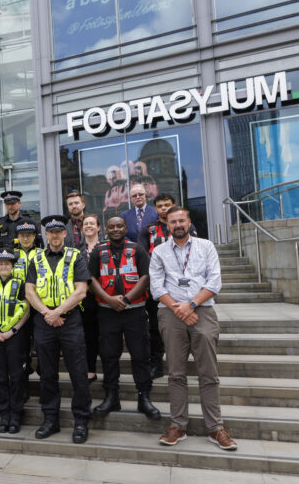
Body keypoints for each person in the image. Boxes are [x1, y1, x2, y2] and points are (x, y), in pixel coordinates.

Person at [149, 206, 238, 450]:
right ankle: (177, 425)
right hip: (170, 314)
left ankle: (216, 428)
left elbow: (214, 281)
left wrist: (190, 305)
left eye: (181, 220)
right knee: (176, 373)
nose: (177, 225)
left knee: (208, 372)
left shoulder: (206, 246)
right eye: (172, 221)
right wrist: (179, 309)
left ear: (189, 222)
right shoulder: (158, 252)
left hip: (203, 312)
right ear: (166, 225)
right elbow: (157, 287)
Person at [25, 215, 92, 444]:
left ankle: (81, 421)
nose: (54, 235)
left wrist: (58, 312)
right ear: (46, 235)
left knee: (78, 373)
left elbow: (81, 291)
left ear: (65, 234)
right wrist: (47, 313)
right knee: (47, 373)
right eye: (50, 232)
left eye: (58, 232)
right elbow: (29, 291)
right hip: (44, 322)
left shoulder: (75, 256)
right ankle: (50, 419)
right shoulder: (36, 258)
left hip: (70, 320)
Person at [88, 217, 161, 420]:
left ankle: (144, 398)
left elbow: (146, 277)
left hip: (135, 312)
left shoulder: (137, 249)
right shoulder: (98, 251)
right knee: (109, 356)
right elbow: (91, 278)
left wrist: (127, 299)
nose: (115, 229)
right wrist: (109, 299)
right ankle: (112, 397)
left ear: (126, 228)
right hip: (107, 312)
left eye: (119, 226)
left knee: (140, 355)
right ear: (106, 229)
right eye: (111, 226)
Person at [139, 193, 197, 379]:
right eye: (160, 206)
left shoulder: (186, 227)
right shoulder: (147, 230)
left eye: (167, 205)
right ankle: (156, 364)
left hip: (186, 288)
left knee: (191, 328)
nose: (163, 208)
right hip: (158, 288)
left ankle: (193, 364)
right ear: (155, 209)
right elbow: (143, 257)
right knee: (156, 329)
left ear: (173, 205)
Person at [0, 249, 29, 434]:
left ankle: (16, 415)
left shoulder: (20, 284)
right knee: (0, 377)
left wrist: (13, 331)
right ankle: (4, 415)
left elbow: (26, 310)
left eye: (7, 264)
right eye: (0, 263)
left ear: (12, 266)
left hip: (14, 337)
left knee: (16, 377)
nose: (3, 266)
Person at [13, 220, 41, 397]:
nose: (25, 238)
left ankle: (43, 385)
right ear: (17, 237)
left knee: (41, 346)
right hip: (19, 306)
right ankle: (22, 387)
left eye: (29, 235)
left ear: (34, 237)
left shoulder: (42, 254)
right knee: (21, 348)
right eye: (22, 235)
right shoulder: (12, 255)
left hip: (39, 306)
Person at [78, 214, 101, 383]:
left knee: (107, 337)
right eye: (86, 224)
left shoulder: (106, 246)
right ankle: (90, 370)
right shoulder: (76, 249)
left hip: (106, 297)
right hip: (85, 299)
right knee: (89, 336)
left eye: (92, 223)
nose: (89, 226)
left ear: (99, 227)